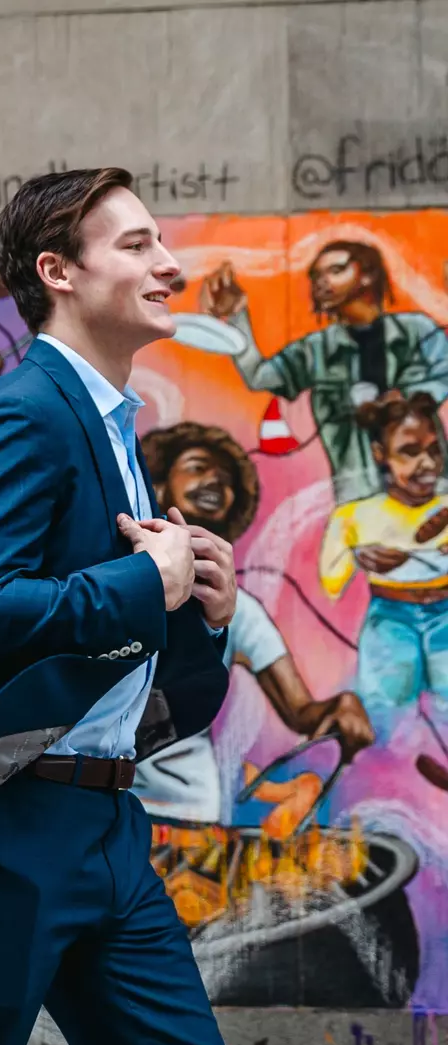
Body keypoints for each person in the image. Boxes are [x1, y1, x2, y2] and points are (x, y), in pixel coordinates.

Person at [0, 169, 246, 1045]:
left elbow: (129, 650)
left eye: (162, 242)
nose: (169, 264)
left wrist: (206, 612)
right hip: (6, 832)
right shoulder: (18, 412)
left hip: (110, 831)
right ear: (59, 271)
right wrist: (139, 580)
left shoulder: (116, 428)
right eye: (136, 245)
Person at [135, 422, 373, 822]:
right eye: (197, 467)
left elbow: (302, 712)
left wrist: (340, 707)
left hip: (190, 816)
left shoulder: (241, 612)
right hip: (99, 807)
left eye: (226, 479)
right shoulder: (113, 588)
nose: (214, 480)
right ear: (158, 488)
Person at [201, 241, 448, 503]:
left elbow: (444, 373)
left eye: (336, 270)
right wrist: (237, 316)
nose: (321, 281)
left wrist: (407, 398)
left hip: (431, 483)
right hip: (359, 493)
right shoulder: (316, 349)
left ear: (368, 274)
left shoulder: (417, 331)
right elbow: (259, 376)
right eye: (316, 276)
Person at [319, 391, 448, 746]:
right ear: (381, 455)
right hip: (390, 619)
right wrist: (358, 555)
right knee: (385, 714)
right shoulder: (354, 517)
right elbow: (329, 583)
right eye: (410, 451)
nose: (427, 463)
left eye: (434, 450)